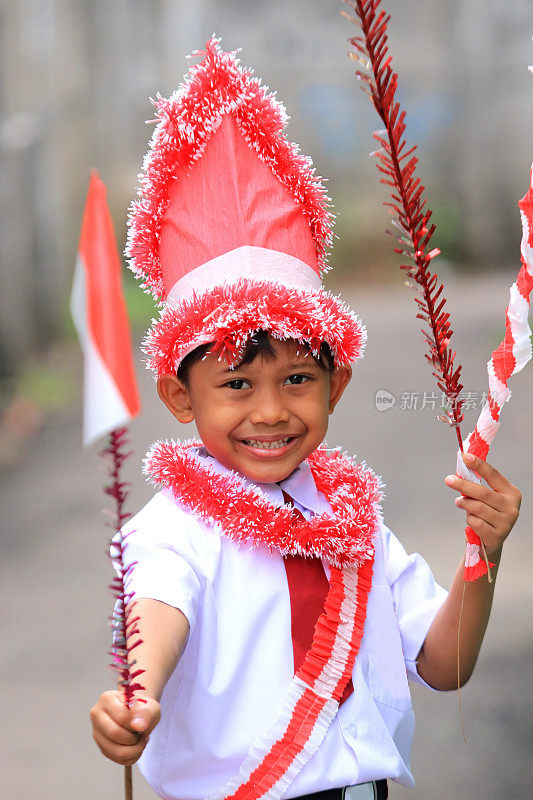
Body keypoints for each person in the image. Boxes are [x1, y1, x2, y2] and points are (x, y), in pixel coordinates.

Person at [90, 39, 521, 800]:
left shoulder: (354, 522)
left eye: (297, 379)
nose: (270, 411)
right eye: (235, 384)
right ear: (180, 398)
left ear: (337, 383)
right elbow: (158, 609)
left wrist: (481, 554)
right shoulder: (172, 533)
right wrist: (137, 695)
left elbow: (444, 666)